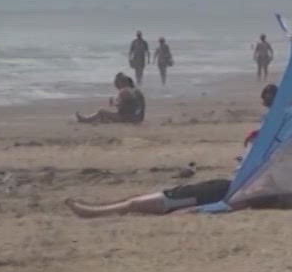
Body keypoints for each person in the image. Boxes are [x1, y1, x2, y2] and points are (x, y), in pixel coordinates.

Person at [67, 85, 278, 217]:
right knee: (147, 200)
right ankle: (98, 210)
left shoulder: (250, 186)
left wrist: (192, 212)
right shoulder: (265, 167)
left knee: (143, 202)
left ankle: (94, 212)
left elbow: (232, 203)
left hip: (222, 190)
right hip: (226, 187)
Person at [76, 73, 145, 124]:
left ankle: (85, 119)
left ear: (120, 82)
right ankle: (101, 120)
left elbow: (120, 107)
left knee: (101, 111)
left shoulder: (125, 91)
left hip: (129, 118)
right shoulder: (135, 90)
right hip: (138, 117)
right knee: (104, 116)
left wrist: (114, 103)